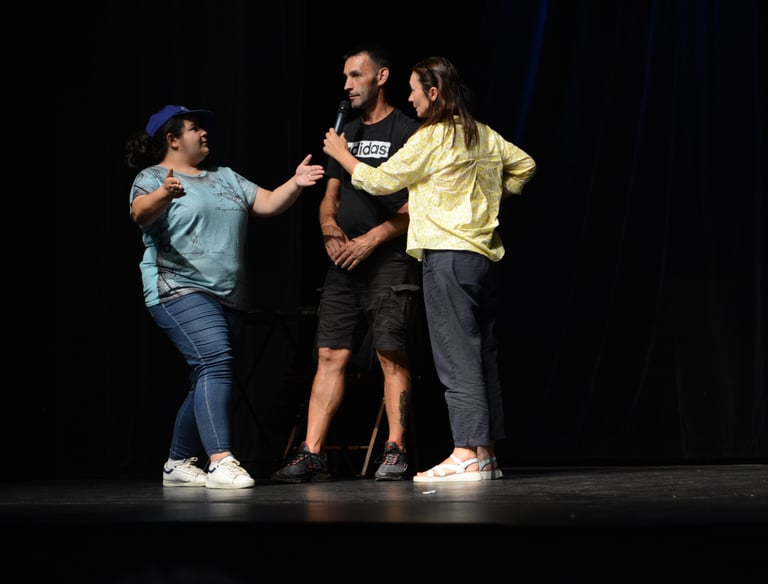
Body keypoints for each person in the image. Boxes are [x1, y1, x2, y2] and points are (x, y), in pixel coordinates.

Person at [323, 56, 536, 482]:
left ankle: (464, 452)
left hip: (446, 255)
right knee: (481, 354)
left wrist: (342, 156)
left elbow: (382, 181)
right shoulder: (481, 134)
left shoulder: (432, 137)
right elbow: (525, 165)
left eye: (414, 90)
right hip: (482, 257)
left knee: (457, 357)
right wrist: (487, 202)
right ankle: (486, 453)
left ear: (433, 93)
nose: (409, 97)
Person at [126, 104, 325, 489]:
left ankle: (178, 461)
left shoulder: (225, 176)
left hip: (227, 295)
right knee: (216, 363)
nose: (203, 134)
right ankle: (221, 460)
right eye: (194, 128)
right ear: (172, 139)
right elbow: (140, 214)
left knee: (208, 372)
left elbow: (266, 203)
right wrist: (164, 194)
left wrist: (295, 183)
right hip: (177, 288)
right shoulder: (151, 177)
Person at [271, 45, 422, 483]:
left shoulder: (408, 131)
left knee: (390, 352)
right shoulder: (346, 133)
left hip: (389, 258)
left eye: (356, 76)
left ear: (381, 76)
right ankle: (311, 452)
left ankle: (394, 449)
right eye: (345, 77)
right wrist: (328, 231)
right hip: (343, 262)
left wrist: (372, 239)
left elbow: (418, 204)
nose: (347, 85)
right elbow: (330, 198)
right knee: (330, 352)